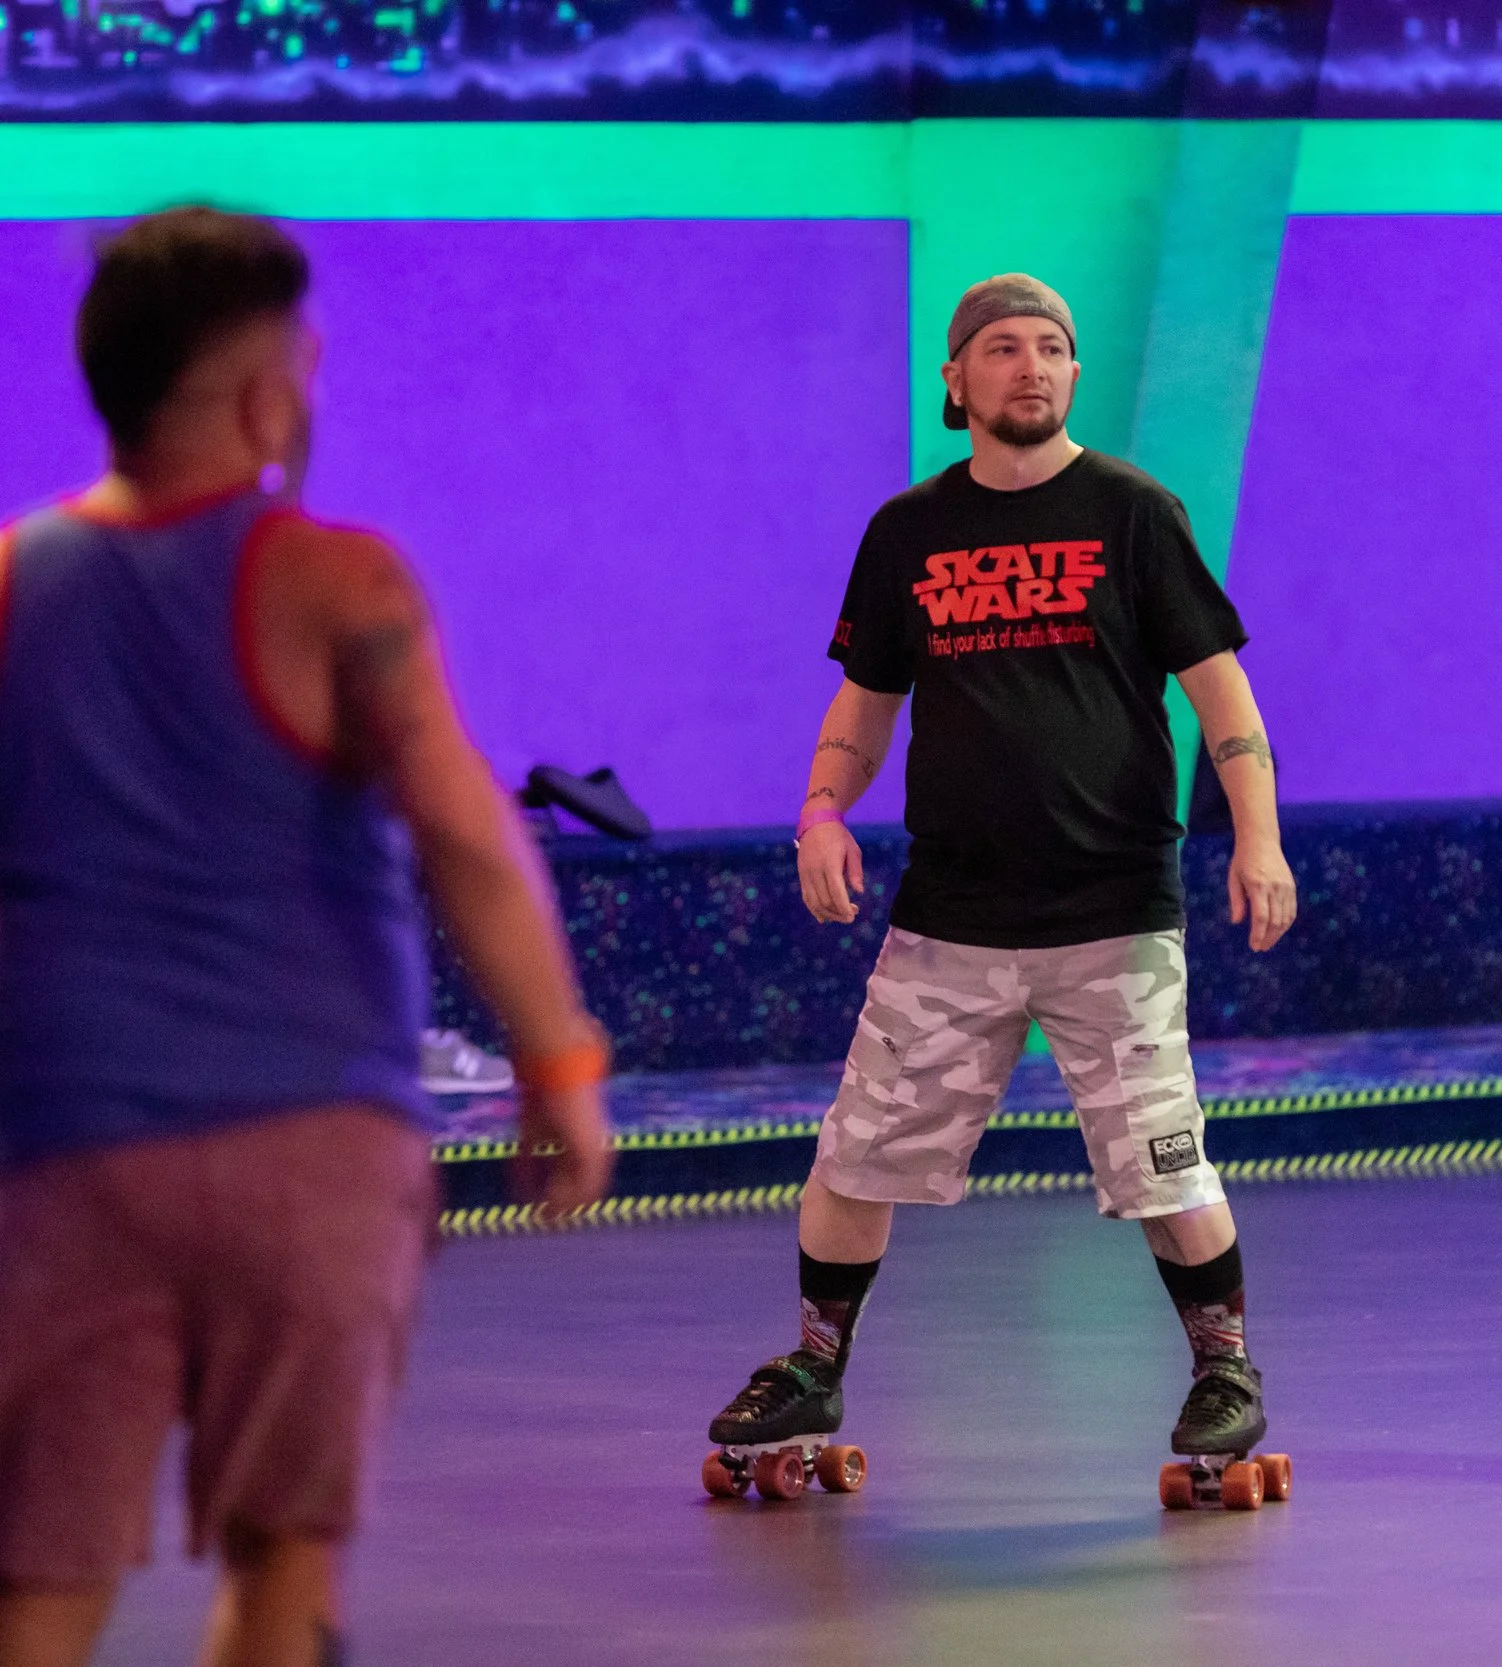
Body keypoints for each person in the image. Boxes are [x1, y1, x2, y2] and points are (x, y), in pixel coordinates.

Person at [0, 208, 613, 1667]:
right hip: (309, 1141)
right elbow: (466, 833)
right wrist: (559, 1061)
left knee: (39, 1569)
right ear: (269, 396)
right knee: (287, 1555)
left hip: (63, 1145)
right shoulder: (340, 581)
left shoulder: (15, 581)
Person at [706, 274, 1297, 1476]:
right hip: (953, 912)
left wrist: (1259, 832)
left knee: (1160, 1155)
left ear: (1073, 375)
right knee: (856, 1154)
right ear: (955, 380)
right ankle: (813, 1363)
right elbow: (864, 707)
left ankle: (1224, 1367)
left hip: (1112, 908)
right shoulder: (908, 532)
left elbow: (1220, 693)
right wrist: (823, 808)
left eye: (1052, 349)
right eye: (1003, 349)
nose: (1031, 366)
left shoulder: (1134, 513)